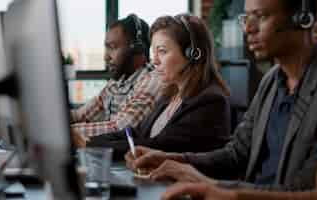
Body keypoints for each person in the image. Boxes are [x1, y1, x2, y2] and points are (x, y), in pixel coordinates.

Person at [126, 0, 317, 191]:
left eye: (260, 16)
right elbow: (236, 154)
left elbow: (308, 191)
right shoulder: (271, 81)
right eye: (246, 18)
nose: (248, 29)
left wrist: (216, 188)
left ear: (302, 18)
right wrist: (168, 159)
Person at [85, 14, 232, 159]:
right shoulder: (169, 96)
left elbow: (156, 146)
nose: (154, 61)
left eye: (162, 51)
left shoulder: (210, 101)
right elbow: (135, 133)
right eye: (153, 53)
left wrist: (90, 146)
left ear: (192, 54)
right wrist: (89, 141)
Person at [70, 14, 161, 140]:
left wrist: (65, 132)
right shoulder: (117, 82)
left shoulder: (151, 80)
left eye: (112, 47)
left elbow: (120, 128)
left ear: (137, 49)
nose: (106, 57)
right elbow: (80, 115)